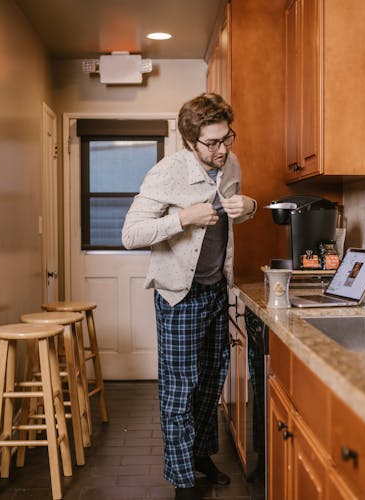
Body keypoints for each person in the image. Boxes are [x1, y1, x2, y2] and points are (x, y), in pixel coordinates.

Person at [121, 93, 257, 500]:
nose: (222, 149)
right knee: (181, 388)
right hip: (180, 296)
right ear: (190, 142)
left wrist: (248, 206)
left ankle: (199, 457)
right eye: (211, 143)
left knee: (210, 382)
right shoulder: (166, 173)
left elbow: (237, 214)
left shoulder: (231, 164)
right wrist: (182, 218)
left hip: (217, 290)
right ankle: (182, 479)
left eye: (226, 138)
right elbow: (131, 235)